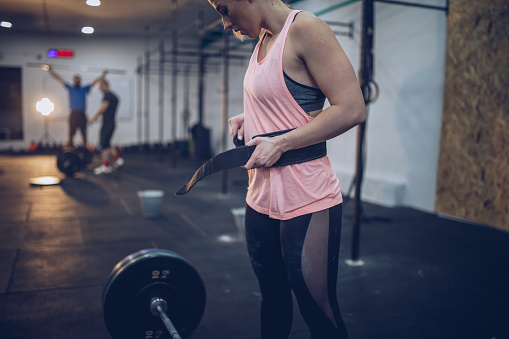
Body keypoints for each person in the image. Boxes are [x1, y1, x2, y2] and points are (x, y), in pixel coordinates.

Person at [208, 1, 366, 338]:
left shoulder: (305, 29)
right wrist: (250, 118)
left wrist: (279, 144)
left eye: (223, 9)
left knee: (316, 307)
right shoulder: (264, 38)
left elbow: (351, 108)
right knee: (273, 300)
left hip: (305, 195)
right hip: (260, 196)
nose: (224, 23)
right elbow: (290, 103)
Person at [47, 66, 106, 148]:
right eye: (76, 80)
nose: (77, 81)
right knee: (71, 133)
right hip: (73, 114)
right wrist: (51, 71)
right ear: (74, 81)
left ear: (80, 81)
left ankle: (84, 150)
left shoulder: (84, 89)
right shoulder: (70, 88)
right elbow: (59, 79)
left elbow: (95, 82)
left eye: (78, 80)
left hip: (82, 114)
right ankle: (70, 150)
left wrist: (103, 75)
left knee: (84, 133)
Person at [88, 79, 123, 174]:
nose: (100, 89)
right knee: (107, 144)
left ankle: (106, 166)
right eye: (99, 88)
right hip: (110, 123)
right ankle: (117, 159)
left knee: (103, 146)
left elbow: (103, 108)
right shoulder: (114, 96)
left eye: (101, 87)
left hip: (108, 124)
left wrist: (93, 118)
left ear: (106, 85)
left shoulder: (108, 96)